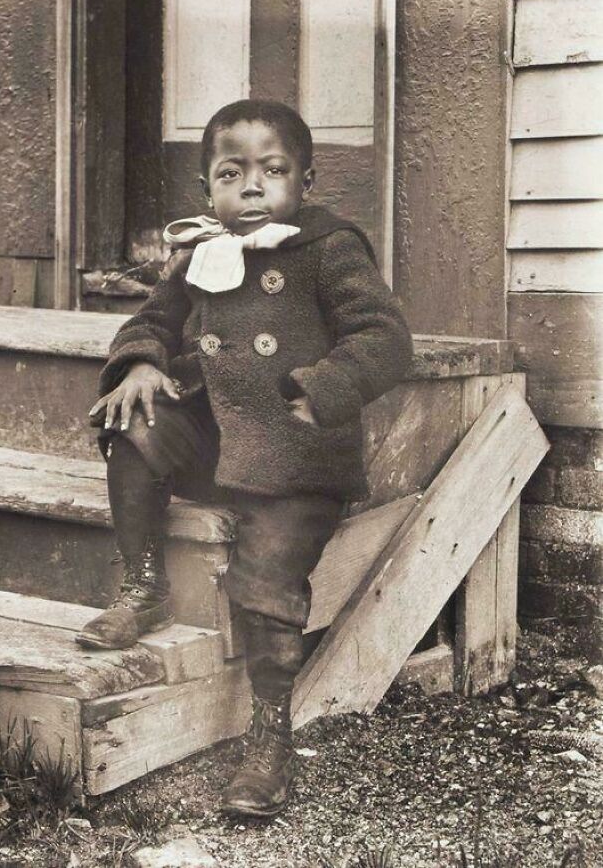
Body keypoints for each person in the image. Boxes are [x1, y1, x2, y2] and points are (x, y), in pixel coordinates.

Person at [76, 100, 413, 817]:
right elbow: (151, 320)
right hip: (222, 441)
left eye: (273, 170)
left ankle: (269, 734)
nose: (252, 186)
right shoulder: (202, 253)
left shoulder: (327, 248)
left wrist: (325, 387)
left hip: (297, 451)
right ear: (208, 190)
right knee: (134, 422)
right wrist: (140, 363)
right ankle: (144, 584)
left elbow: (384, 337)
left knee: (265, 575)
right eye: (231, 174)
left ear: (306, 181)